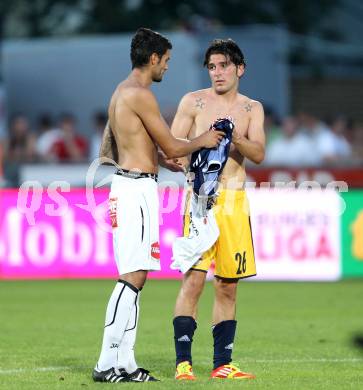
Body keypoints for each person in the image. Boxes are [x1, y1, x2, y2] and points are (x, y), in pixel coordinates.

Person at [92, 28, 224, 383]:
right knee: (131, 277)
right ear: (153, 59)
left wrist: (158, 160)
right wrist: (204, 139)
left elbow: (121, 143)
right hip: (135, 190)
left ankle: (126, 363)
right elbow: (173, 143)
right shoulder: (141, 95)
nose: (167, 66)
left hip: (130, 184)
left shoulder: (122, 92)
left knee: (136, 276)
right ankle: (106, 362)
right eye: (166, 60)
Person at [171, 39, 265, 380]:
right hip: (200, 202)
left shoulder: (252, 108)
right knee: (194, 280)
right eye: (212, 67)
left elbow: (258, 154)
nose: (217, 72)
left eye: (224, 65)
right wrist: (191, 159)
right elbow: (171, 148)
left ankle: (222, 364)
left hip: (235, 204)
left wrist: (235, 137)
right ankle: (183, 363)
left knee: (228, 285)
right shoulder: (193, 102)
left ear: (239, 69)